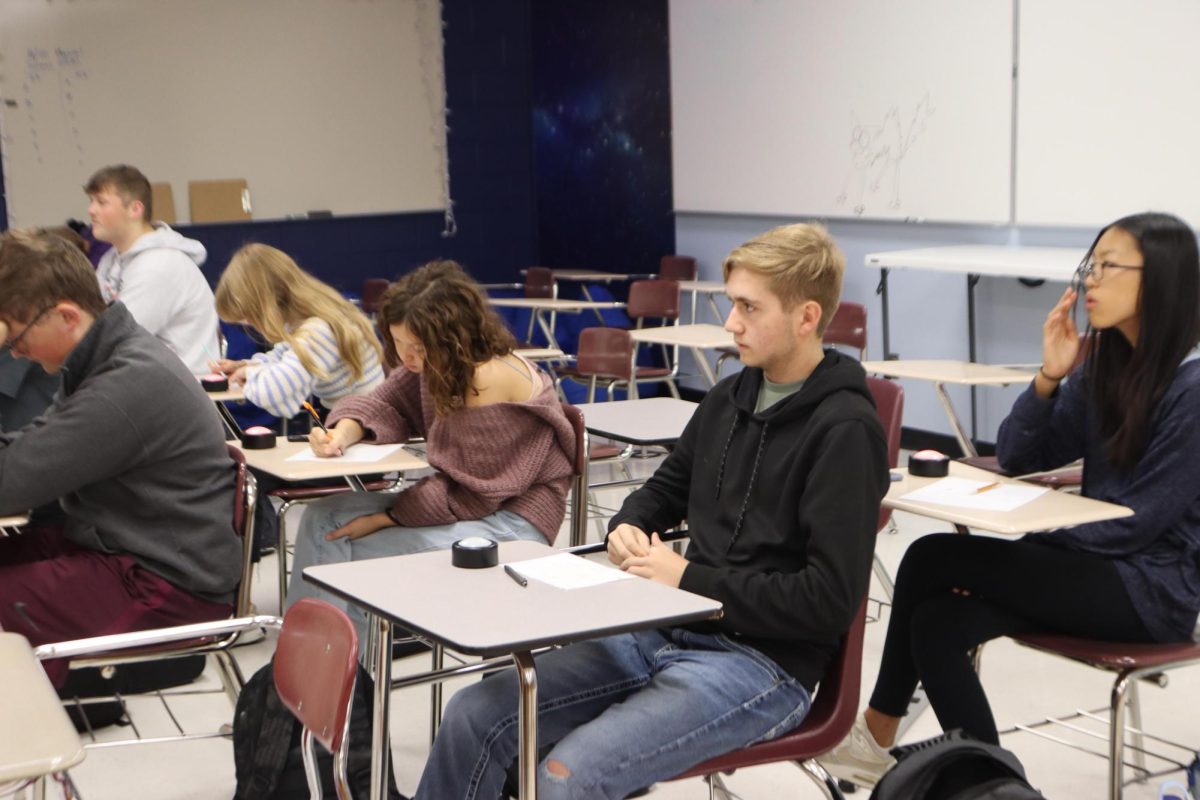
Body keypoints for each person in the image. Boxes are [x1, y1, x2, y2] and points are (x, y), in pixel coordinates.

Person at [415, 223, 890, 799]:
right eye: (730, 303)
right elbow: (659, 491)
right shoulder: (727, 399)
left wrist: (689, 578)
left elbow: (826, 603)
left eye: (748, 307)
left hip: (762, 665)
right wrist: (628, 526)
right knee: (473, 714)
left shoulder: (844, 431)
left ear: (807, 317)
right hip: (665, 626)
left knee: (568, 776)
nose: (731, 323)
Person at [823, 211, 1200, 788]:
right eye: (1088, 265)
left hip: (1149, 589)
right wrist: (1050, 376)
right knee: (938, 625)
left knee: (930, 557)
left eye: (1106, 267)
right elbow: (1023, 455)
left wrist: (1039, 535)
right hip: (1092, 569)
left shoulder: (1191, 387)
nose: (1088, 282)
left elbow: (1138, 523)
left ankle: (874, 735)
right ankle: (997, 788)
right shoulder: (1106, 363)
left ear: (1162, 279)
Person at [283, 260, 577, 639]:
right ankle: (323, 667)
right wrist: (342, 432)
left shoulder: (484, 379)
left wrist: (388, 518)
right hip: (469, 505)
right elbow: (383, 404)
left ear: (453, 336)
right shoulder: (439, 362)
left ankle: (336, 675)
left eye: (416, 348)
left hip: (514, 523)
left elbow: (472, 494)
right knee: (321, 518)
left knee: (342, 544)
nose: (406, 359)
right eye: (399, 344)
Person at [0, 229, 242, 686]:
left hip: (165, 589)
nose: (14, 353)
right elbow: (28, 450)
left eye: (15, 338)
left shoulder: (124, 384)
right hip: (119, 549)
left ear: (67, 316)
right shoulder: (102, 359)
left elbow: (7, 481)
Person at [212, 243, 384, 419]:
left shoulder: (318, 331)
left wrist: (248, 373)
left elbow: (275, 389)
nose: (251, 326)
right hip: (351, 416)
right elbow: (280, 357)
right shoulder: (304, 320)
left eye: (250, 318)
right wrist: (246, 365)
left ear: (267, 307)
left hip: (364, 422)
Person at [85, 164, 220, 374]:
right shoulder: (111, 261)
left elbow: (114, 341)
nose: (91, 210)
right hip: (148, 387)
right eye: (91, 201)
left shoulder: (160, 265)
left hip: (178, 397)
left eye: (102, 202)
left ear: (135, 209)